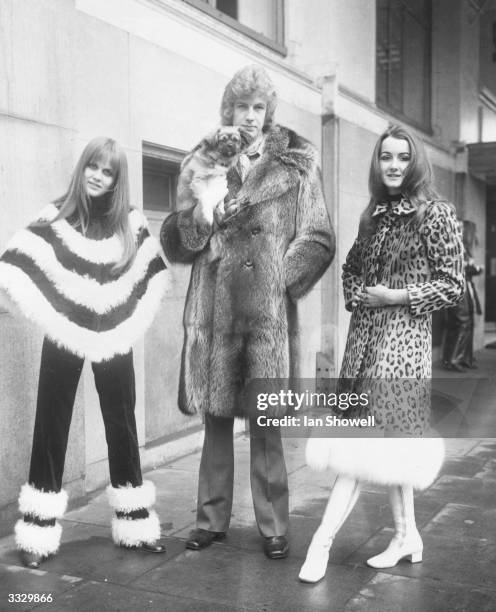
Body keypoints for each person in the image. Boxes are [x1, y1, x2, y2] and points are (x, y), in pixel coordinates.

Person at [160, 65, 335, 559]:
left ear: (269, 112)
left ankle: (274, 524)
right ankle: (210, 520)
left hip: (264, 316)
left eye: (259, 107)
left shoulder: (297, 164)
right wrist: (199, 213)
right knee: (214, 421)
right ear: (229, 111)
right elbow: (178, 240)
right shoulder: (203, 160)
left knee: (266, 426)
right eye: (243, 107)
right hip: (214, 308)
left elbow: (319, 237)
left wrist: (280, 280)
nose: (251, 116)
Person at [299, 125, 464, 583]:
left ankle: (321, 545)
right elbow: (351, 267)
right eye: (386, 157)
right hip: (363, 345)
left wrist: (395, 297)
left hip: (403, 351)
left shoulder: (435, 214)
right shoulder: (372, 214)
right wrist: (358, 297)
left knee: (359, 450)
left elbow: (452, 285)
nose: (393, 165)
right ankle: (408, 536)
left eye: (402, 157)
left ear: (415, 163)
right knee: (391, 450)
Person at [0, 137, 169, 569]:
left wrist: (123, 319)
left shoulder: (129, 224)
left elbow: (150, 274)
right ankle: (37, 533)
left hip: (114, 333)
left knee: (121, 420)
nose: (97, 175)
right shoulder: (56, 217)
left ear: (117, 179)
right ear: (83, 169)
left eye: (107, 170)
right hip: (63, 333)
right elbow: (16, 263)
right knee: (51, 421)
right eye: (93, 166)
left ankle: (134, 522)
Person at [442, 220, 483, 371]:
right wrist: (475, 268)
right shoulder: (452, 246)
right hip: (456, 287)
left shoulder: (460, 247)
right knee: (461, 323)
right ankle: (454, 360)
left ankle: (464, 358)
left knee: (465, 323)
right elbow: (455, 268)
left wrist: (473, 268)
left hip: (462, 286)